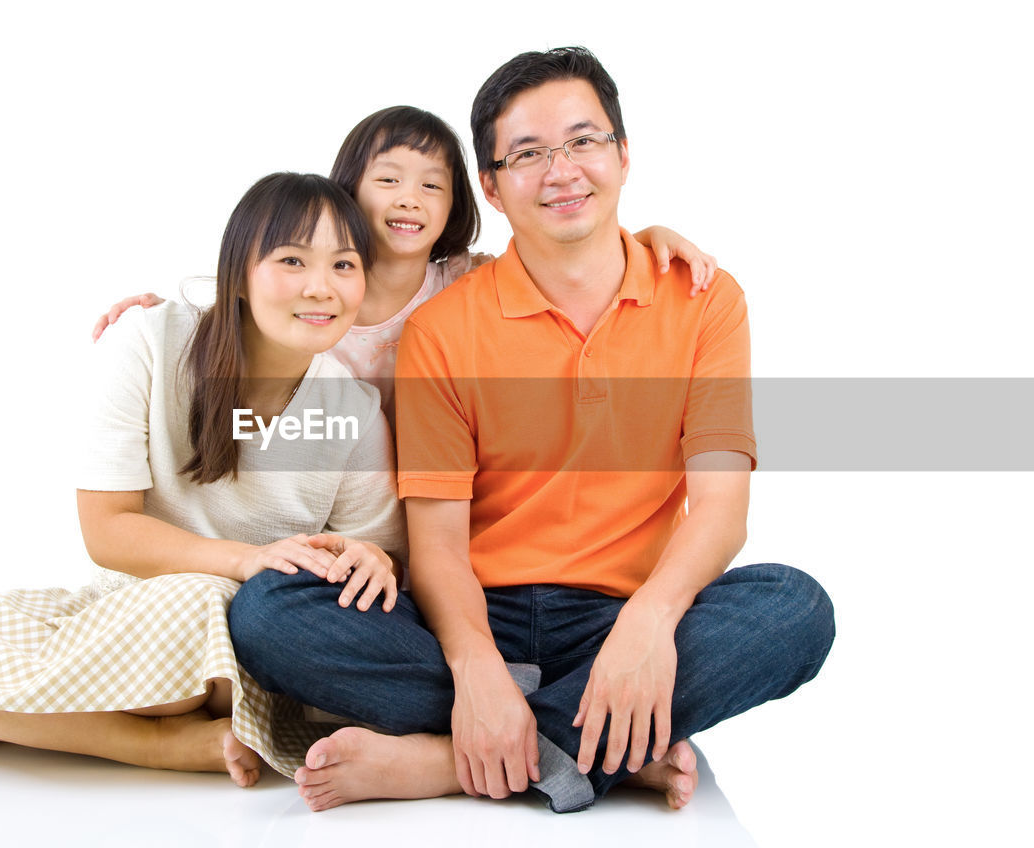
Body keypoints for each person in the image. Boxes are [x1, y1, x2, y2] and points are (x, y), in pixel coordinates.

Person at [227, 47, 835, 813]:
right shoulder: (444, 326)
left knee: (795, 608)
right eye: (528, 154)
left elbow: (720, 508)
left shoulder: (706, 299)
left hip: (627, 609)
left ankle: (450, 762)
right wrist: (476, 661)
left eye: (584, 141)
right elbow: (439, 540)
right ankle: (600, 746)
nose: (562, 170)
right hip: (473, 613)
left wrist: (648, 626)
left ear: (623, 154)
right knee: (269, 610)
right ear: (491, 185)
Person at [0, 172, 407, 787]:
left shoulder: (352, 411)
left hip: (237, 642)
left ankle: (20, 717)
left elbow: (378, 556)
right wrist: (245, 559)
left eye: (343, 265)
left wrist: (371, 557)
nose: (320, 288)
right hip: (123, 620)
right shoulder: (150, 341)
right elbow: (106, 530)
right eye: (292, 260)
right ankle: (156, 742)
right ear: (239, 273)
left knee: (204, 606)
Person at [93, 106, 718, 415]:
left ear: (461, 203)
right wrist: (159, 313)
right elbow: (243, 302)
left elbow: (564, 258)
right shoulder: (316, 289)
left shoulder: (464, 280)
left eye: (431, 186)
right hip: (326, 493)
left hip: (437, 501)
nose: (408, 200)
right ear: (349, 190)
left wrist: (646, 236)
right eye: (388, 179)